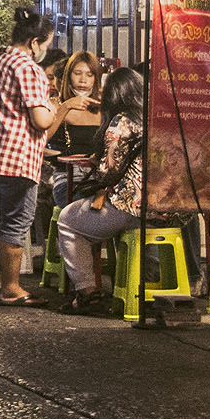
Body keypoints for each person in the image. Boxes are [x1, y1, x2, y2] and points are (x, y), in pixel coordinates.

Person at [0, 7, 92, 307]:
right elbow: (40, 120)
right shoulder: (26, 67)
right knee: (16, 223)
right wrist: (60, 108)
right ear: (35, 42)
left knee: (2, 222)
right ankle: (11, 288)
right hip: (16, 157)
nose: (44, 52)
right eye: (45, 45)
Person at [55, 67, 146, 314]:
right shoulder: (157, 118)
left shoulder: (121, 123)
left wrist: (99, 163)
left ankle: (88, 292)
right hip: (165, 211)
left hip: (131, 208)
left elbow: (108, 173)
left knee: (67, 220)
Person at [44, 51, 102, 209]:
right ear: (68, 76)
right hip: (67, 181)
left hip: (99, 183)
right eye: (77, 74)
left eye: (89, 75)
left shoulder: (103, 106)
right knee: (87, 209)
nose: (83, 80)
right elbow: (41, 139)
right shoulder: (54, 104)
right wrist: (66, 107)